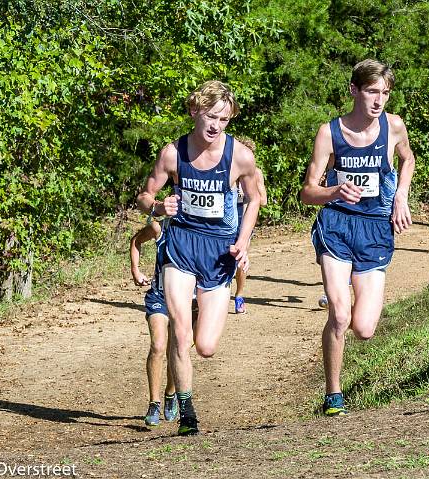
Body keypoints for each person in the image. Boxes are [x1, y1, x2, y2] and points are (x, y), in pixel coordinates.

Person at [136, 80, 261, 435]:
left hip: (219, 253)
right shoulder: (172, 153)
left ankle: (182, 395)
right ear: (195, 111)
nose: (216, 125)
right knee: (179, 331)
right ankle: (188, 411)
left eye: (224, 119)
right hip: (181, 246)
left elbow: (254, 199)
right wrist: (159, 206)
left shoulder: (239, 156)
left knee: (204, 346)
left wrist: (244, 241)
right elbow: (144, 195)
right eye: (210, 116)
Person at [301, 59, 416, 416]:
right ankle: (333, 394)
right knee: (339, 315)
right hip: (336, 225)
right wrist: (333, 191)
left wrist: (400, 195)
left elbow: (407, 158)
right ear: (354, 90)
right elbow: (307, 192)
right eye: (371, 91)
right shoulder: (329, 132)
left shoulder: (393, 126)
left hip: (375, 229)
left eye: (384, 92)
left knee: (364, 328)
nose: (379, 100)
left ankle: (347, 295)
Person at [129, 218, 178, 426]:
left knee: (177, 350)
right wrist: (136, 270)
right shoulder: (160, 227)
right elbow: (136, 241)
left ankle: (170, 393)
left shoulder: (202, 227)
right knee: (158, 345)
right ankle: (154, 403)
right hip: (158, 296)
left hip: (186, 299)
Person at [233, 158, 267, 314]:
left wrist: (250, 196)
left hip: (245, 219)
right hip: (225, 220)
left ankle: (239, 295)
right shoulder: (227, 171)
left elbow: (264, 201)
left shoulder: (256, 173)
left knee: (241, 258)